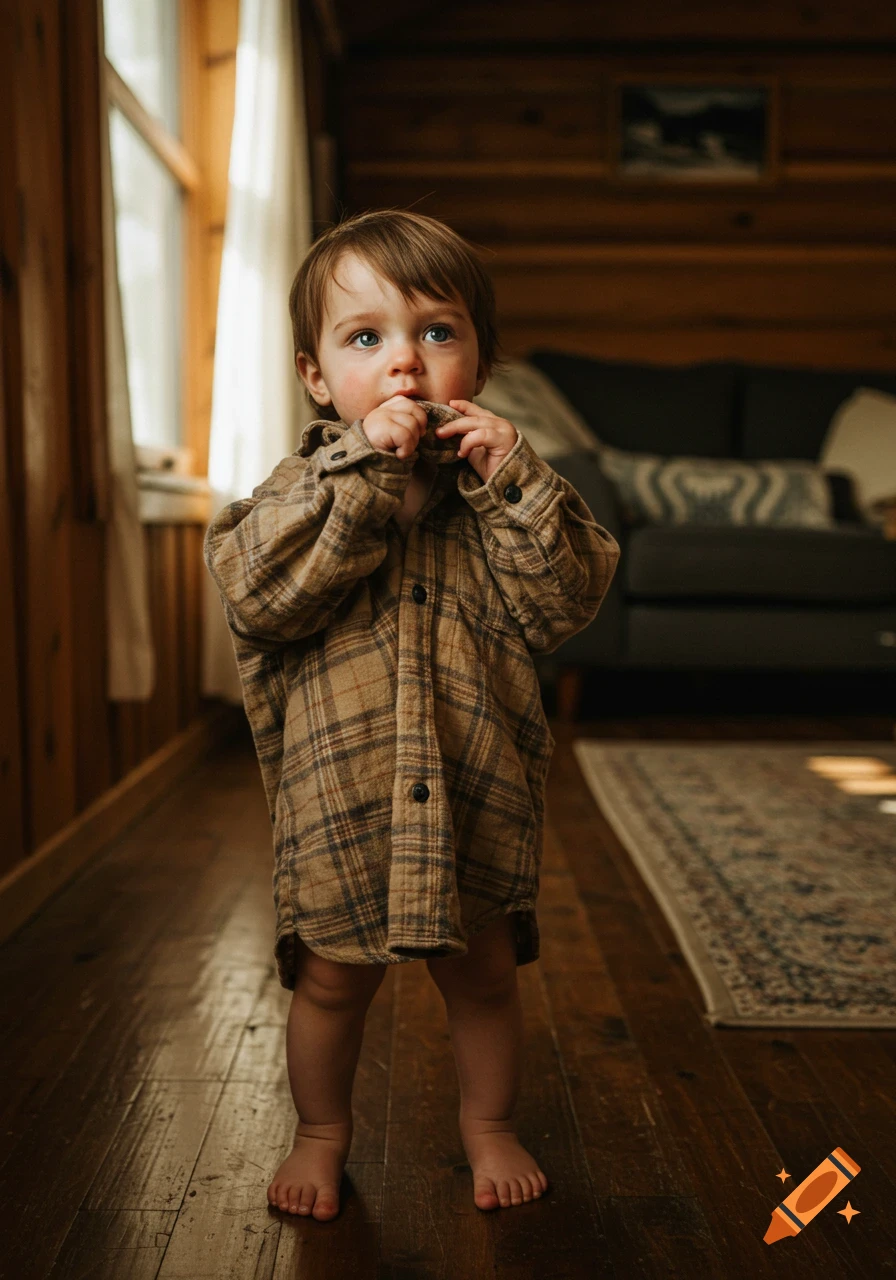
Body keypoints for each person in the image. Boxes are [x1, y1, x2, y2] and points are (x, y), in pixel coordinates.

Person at [203, 209, 621, 1222]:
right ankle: (320, 1133)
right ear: (316, 377)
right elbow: (261, 596)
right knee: (330, 984)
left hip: (477, 792)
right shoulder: (298, 490)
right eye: (366, 337)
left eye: (437, 332)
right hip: (340, 803)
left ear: (479, 358)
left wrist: (513, 476)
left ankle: (489, 1125)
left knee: (484, 980)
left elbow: (566, 601)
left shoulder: (500, 489)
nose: (405, 362)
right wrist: (365, 476)